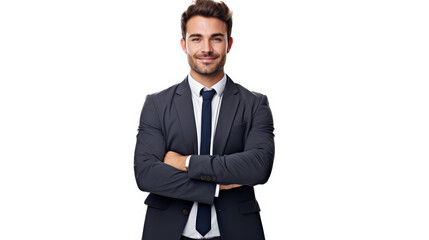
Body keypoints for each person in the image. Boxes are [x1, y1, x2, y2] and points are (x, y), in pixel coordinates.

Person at [134, 0, 275, 239]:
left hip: (237, 231)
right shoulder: (157, 104)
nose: (206, 48)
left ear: (229, 44)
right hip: (168, 231)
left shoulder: (254, 104)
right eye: (197, 38)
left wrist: (186, 162)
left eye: (216, 38)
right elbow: (146, 173)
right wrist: (215, 186)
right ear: (184, 44)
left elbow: (258, 167)